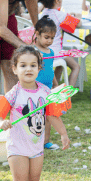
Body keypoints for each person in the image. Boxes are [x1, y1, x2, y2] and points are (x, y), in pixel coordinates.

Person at [0, 46, 70, 181]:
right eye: (23, 65)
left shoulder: (45, 92)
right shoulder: (14, 93)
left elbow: (52, 115)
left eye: (33, 65)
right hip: (17, 147)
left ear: (40, 68)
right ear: (14, 69)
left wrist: (63, 134)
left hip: (36, 148)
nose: (28, 69)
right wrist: (1, 124)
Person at [37, 0, 81, 85]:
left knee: (61, 65)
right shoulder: (60, 14)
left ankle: (54, 88)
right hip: (55, 52)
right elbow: (78, 24)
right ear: (57, 1)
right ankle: (69, 94)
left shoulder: (42, 14)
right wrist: (78, 16)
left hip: (42, 51)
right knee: (76, 67)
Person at [31, 16, 61, 151]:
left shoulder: (51, 52)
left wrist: (55, 85)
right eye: (46, 37)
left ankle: (46, 141)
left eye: (52, 38)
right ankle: (32, 141)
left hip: (47, 90)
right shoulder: (32, 52)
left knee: (48, 116)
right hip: (34, 90)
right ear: (37, 34)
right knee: (35, 116)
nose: (49, 41)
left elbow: (50, 70)